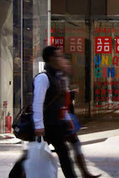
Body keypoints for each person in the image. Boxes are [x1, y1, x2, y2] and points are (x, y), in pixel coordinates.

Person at [32, 46, 76, 178]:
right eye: (58, 56)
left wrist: (67, 118)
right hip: (46, 124)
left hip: (54, 123)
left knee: (63, 152)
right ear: (50, 59)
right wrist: (39, 125)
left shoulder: (57, 77)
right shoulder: (43, 78)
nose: (61, 59)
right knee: (60, 152)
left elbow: (59, 102)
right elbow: (38, 102)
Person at [60, 56, 101, 178]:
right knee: (62, 151)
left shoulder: (63, 80)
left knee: (74, 145)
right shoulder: (53, 79)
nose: (68, 67)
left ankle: (84, 173)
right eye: (65, 64)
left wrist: (70, 94)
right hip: (56, 122)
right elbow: (58, 102)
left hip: (62, 120)